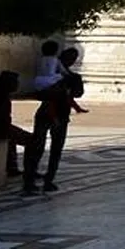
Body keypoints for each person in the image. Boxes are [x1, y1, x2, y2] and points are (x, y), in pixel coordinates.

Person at [41, 48, 88, 190]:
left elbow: (75, 94)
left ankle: (46, 179)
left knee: (54, 148)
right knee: (45, 147)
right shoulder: (59, 75)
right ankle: (37, 180)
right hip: (52, 114)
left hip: (56, 114)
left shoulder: (70, 77)